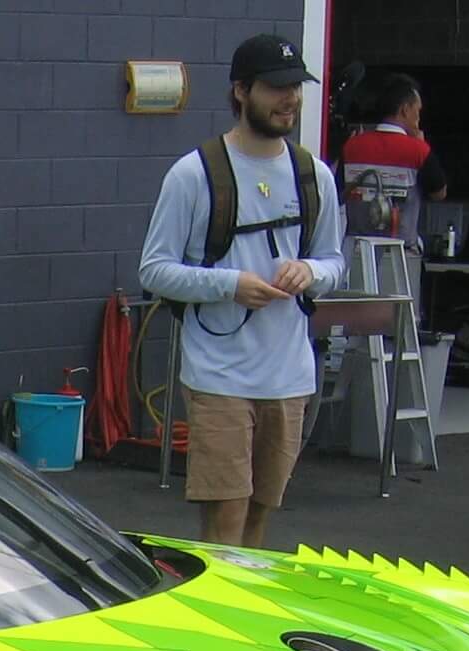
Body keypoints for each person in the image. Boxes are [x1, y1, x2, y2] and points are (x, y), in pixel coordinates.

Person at [138, 34, 346, 549]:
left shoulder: (313, 175)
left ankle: (244, 616)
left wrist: (310, 273)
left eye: (295, 87)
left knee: (258, 519)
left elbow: (334, 261)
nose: (289, 99)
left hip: (289, 375)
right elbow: (154, 270)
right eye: (276, 88)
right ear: (240, 91)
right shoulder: (194, 174)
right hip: (220, 375)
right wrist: (231, 285)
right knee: (225, 522)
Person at [338, 73, 446, 247]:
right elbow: (439, 193)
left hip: (356, 250)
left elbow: (337, 192)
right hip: (401, 253)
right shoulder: (418, 150)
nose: (419, 119)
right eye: (417, 111)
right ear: (404, 110)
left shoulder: (351, 146)